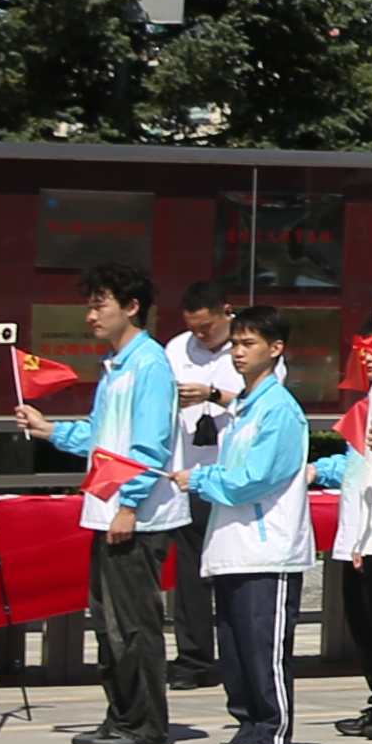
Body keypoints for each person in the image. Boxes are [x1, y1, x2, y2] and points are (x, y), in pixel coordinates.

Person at [47, 265, 189, 744]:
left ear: (131, 307)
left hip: (136, 516)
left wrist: (129, 505)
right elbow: (102, 436)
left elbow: (150, 446)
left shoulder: (149, 365)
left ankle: (146, 723)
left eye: (99, 305)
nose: (91, 316)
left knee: (133, 623)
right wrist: (50, 431)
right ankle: (121, 714)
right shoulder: (117, 366)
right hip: (107, 509)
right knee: (108, 621)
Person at [179, 307, 315, 744]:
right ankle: (247, 733)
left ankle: (272, 740)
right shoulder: (244, 406)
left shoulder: (279, 409)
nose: (238, 352)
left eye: (249, 343)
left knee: (264, 652)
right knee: (236, 653)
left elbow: (254, 479)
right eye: (235, 344)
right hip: (232, 548)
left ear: (276, 349)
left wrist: (199, 479)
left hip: (268, 550)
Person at [159, 280, 241, 691]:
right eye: (194, 328)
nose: (201, 336)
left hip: (231, 475)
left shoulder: (248, 347)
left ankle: (237, 655)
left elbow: (266, 403)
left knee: (232, 572)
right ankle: (193, 658)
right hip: (188, 471)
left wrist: (214, 394)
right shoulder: (176, 349)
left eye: (207, 327)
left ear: (228, 312)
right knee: (189, 574)